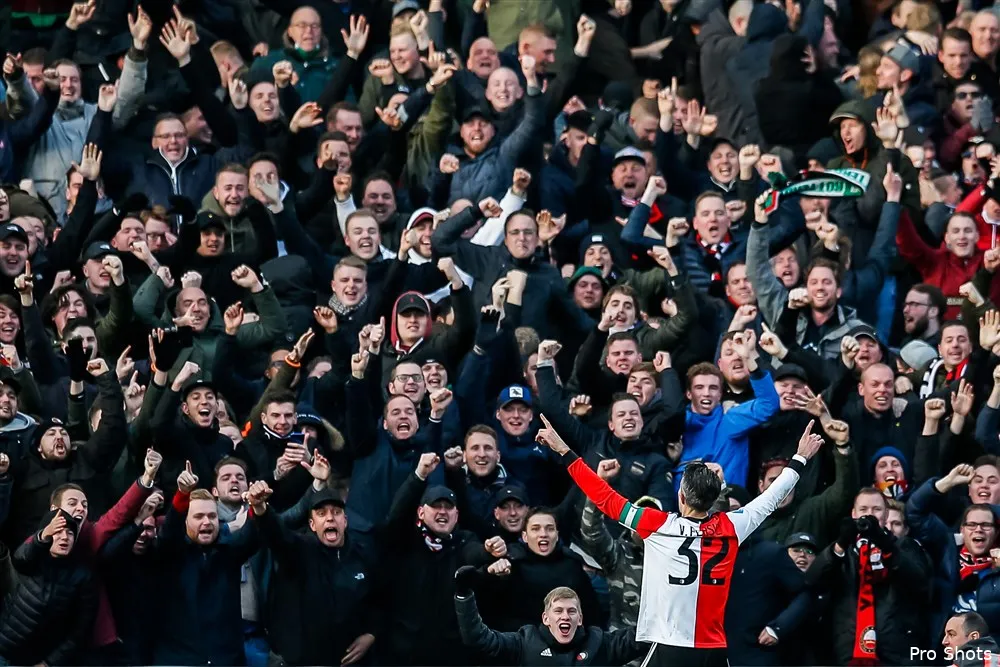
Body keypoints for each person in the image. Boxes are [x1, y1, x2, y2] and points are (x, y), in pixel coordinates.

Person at [535, 415, 823, 667]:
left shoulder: (657, 524)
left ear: (681, 497)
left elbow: (605, 498)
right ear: (713, 502)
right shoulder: (734, 525)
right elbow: (772, 498)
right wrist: (800, 458)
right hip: (713, 647)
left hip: (670, 644)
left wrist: (564, 451)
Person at [454, 580, 643, 666]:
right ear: (546, 618)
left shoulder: (601, 643)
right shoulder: (524, 643)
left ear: (580, 619)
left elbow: (646, 633)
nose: (565, 617)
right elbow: (478, 638)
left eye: (571, 611)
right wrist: (464, 597)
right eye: (558, 611)